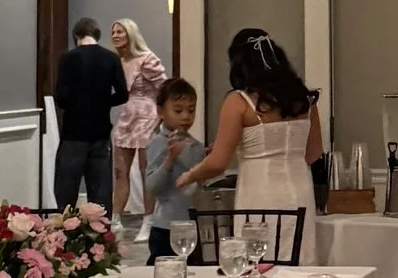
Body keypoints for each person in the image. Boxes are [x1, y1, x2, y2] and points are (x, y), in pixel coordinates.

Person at [180, 27, 322, 220]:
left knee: (258, 248)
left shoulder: (239, 102)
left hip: (259, 194)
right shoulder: (305, 101)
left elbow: (218, 163)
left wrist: (189, 175)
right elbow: (313, 153)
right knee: (298, 248)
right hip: (301, 192)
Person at [49, 16, 126, 212]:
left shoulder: (68, 58)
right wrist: (102, 103)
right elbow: (123, 94)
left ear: (76, 35)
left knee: (66, 192)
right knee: (100, 194)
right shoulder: (111, 58)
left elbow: (61, 98)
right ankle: (101, 237)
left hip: (73, 133)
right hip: (100, 132)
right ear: (97, 35)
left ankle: (65, 233)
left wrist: (78, 103)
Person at [136, 77, 206, 258]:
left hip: (192, 224)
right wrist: (170, 159)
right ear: (161, 112)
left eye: (191, 110)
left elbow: (197, 187)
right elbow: (152, 187)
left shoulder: (197, 146)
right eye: (178, 110)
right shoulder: (158, 143)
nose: (186, 116)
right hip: (166, 226)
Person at [107, 16, 167, 216]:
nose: (115, 35)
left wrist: (160, 119)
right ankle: (115, 219)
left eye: (120, 31)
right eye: (113, 32)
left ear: (130, 34)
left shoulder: (147, 58)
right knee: (120, 172)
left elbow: (164, 90)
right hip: (127, 117)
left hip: (147, 116)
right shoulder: (118, 62)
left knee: (145, 171)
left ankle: (148, 220)